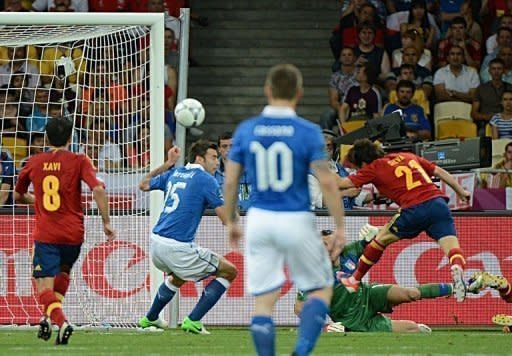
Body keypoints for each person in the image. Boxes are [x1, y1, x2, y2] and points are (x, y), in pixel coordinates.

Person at [223, 64, 345, 356]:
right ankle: (300, 353)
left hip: (259, 219)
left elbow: (230, 181)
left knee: (264, 301)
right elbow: (327, 182)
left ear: (267, 91)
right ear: (299, 94)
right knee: (321, 288)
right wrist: (340, 226)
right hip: (295, 218)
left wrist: (231, 221)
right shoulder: (308, 131)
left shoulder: (247, 130)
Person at [14, 117, 115, 345]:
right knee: (64, 273)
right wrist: (106, 222)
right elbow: (98, 189)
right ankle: (48, 318)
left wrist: (36, 200)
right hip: (73, 234)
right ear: (71, 137)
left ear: (47, 138)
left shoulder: (34, 161)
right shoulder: (80, 160)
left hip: (47, 234)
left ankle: (62, 322)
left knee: (43, 287)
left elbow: (18, 195)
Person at [336, 139, 470, 303]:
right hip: (438, 204)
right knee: (452, 248)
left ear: (363, 162)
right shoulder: (407, 156)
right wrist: (461, 191)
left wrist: (318, 170)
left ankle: (353, 281)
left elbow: (341, 183)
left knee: (379, 240)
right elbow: (439, 171)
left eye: (357, 168)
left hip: (414, 208)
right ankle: (457, 269)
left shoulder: (373, 167)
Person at [137, 140, 238, 334]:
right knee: (229, 271)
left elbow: (143, 184)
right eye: (214, 157)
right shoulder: (206, 180)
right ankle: (193, 320)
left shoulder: (176, 172)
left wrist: (167, 164)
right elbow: (226, 220)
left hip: (156, 244)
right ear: (200, 159)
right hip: (177, 247)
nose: (217, 162)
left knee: (178, 277)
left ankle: (150, 319)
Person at [295, 229, 456, 333]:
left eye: (326, 243)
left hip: (368, 295)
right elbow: (299, 308)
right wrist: (325, 327)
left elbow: (378, 240)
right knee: (413, 329)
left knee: (412, 293)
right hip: (352, 322)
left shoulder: (349, 252)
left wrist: (375, 232)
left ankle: (456, 287)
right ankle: (417, 329)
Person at [471, 58, 512, 135]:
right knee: (482, 132)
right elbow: (473, 113)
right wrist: (486, 116)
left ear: (503, 71)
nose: (496, 71)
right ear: (489, 71)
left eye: (499, 69)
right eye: (493, 69)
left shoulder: (510, 87)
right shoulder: (481, 89)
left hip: (508, 122)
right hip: (487, 123)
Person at [214, 132, 251, 210]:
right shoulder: (211, 172)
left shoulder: (252, 170)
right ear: (219, 149)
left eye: (232, 146)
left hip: (248, 217)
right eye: (224, 146)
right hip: (220, 219)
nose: (229, 150)